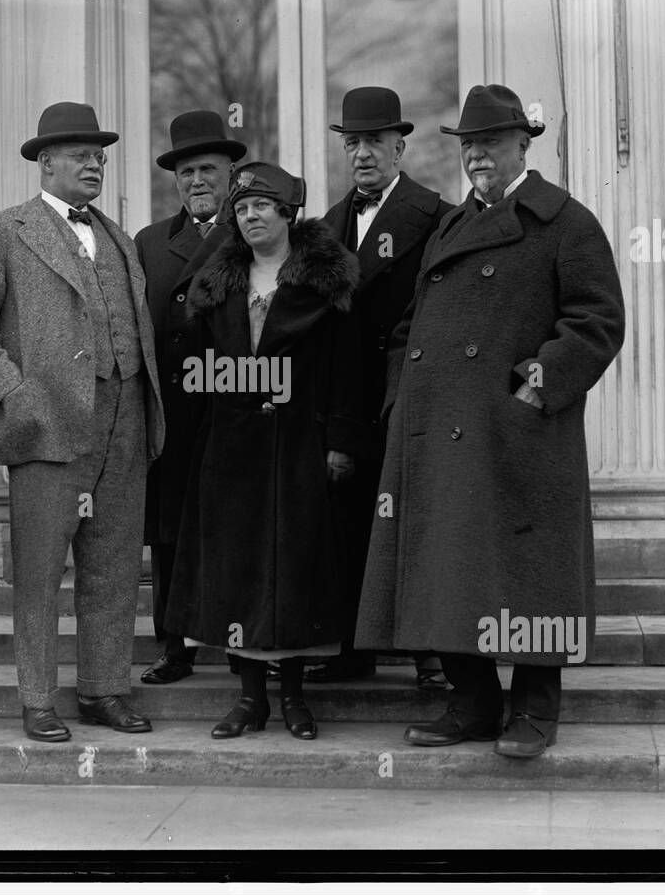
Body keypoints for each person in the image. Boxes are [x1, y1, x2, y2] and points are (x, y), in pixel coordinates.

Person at [355, 84, 625, 758]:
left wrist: (535, 390)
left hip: (518, 434)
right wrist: (400, 395)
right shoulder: (452, 224)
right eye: (468, 144)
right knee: (450, 571)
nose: (477, 155)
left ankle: (535, 709)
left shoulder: (564, 220)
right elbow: (414, 323)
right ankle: (471, 703)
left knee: (533, 575)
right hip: (437, 427)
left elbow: (597, 323)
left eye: (491, 143)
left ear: (523, 145)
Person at [0, 102, 166, 743]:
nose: (94, 163)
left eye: (99, 154)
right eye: (80, 154)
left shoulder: (120, 237)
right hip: (45, 427)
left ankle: (104, 690)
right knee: (40, 571)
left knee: (114, 567)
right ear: (46, 164)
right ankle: (37, 699)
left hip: (123, 420)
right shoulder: (4, 231)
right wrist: (14, 392)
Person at [164, 161, 365, 741]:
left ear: (287, 213)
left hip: (302, 449)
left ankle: (295, 698)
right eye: (243, 208)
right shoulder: (218, 284)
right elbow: (199, 369)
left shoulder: (327, 283)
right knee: (237, 572)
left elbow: (347, 373)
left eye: (262, 207)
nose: (250, 216)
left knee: (295, 571)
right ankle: (250, 700)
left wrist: (340, 443)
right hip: (232, 452)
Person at [310, 86, 454, 688]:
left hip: (408, 396)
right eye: (353, 143)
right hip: (345, 403)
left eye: (375, 141)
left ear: (401, 146)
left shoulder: (438, 218)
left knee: (415, 524)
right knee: (347, 525)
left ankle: (431, 653)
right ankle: (351, 648)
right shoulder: (324, 229)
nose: (363, 153)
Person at [134, 111, 247, 685]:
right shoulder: (151, 242)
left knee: (232, 527)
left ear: (232, 174)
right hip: (174, 410)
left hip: (233, 406)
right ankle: (173, 647)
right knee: (170, 532)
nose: (197, 181)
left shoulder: (254, 228)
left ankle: (240, 646)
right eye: (185, 172)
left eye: (207, 169)